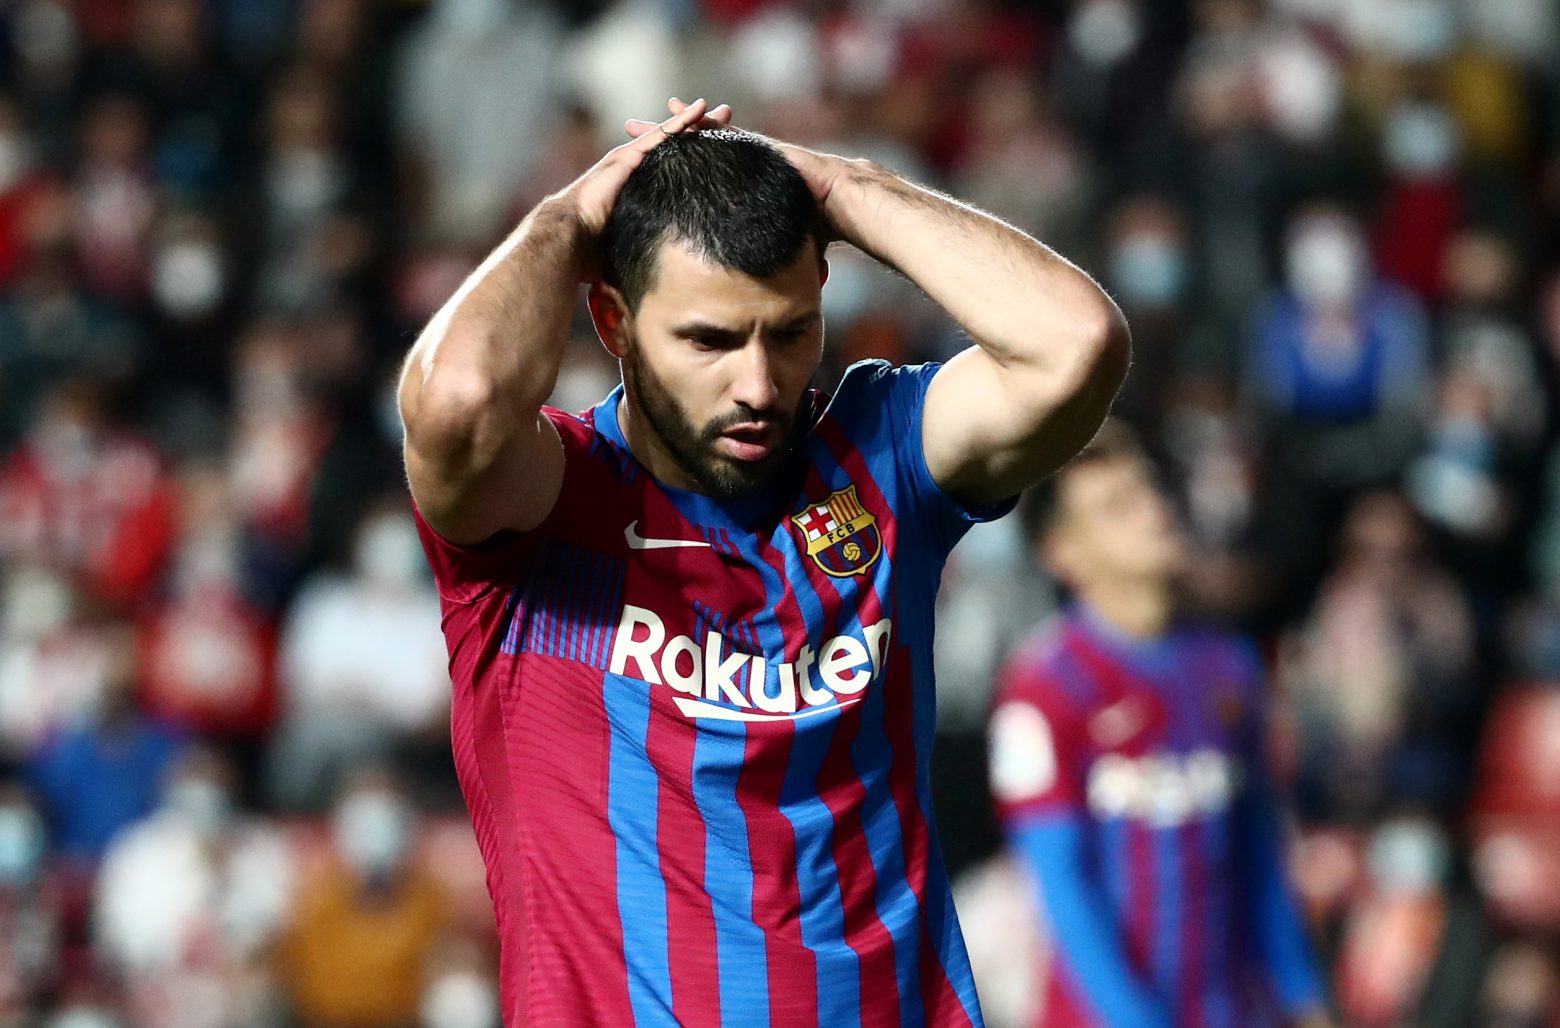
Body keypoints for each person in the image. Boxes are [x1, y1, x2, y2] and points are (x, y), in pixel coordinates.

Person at [398, 96, 1129, 1025]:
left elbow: (1077, 345)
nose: (758, 385)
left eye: (788, 332)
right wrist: (571, 217)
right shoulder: (543, 511)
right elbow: (458, 401)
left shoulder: (884, 458)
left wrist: (844, 186)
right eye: (709, 340)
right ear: (612, 321)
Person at [987, 424, 1330, 1026]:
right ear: (1063, 552)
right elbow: (1063, 891)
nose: (1153, 511)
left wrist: (1304, 998)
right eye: (1117, 506)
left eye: (1149, 490)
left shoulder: (1230, 665)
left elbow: (1259, 853)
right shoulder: (1040, 690)